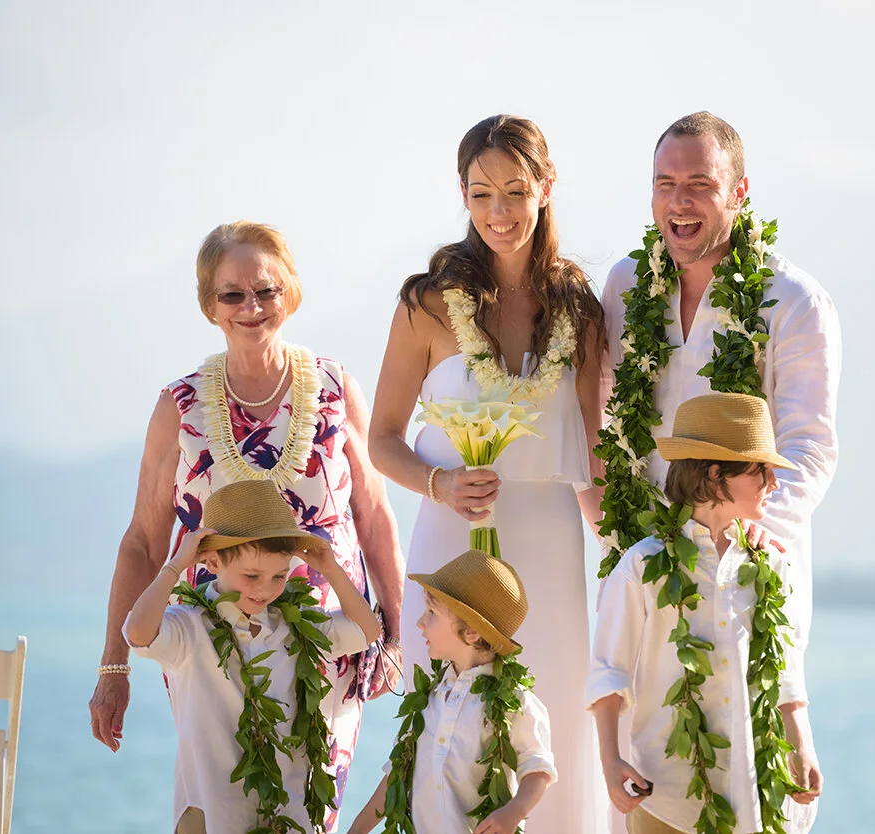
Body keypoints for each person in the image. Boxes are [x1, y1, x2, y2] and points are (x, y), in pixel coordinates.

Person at [91, 221, 405, 829]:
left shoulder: (337, 389)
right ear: (210, 305)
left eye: (266, 290)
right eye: (233, 294)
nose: (252, 307)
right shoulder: (179, 408)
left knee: (310, 812)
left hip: (328, 644)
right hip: (208, 653)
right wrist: (113, 667)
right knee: (221, 805)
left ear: (290, 291)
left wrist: (393, 633)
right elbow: (142, 541)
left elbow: (374, 514)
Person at [369, 115, 607, 831]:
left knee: (552, 725)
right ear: (463, 198)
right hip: (450, 540)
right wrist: (439, 484)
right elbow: (379, 439)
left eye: (514, 191)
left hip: (549, 545)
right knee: (442, 733)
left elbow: (595, 462)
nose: (499, 213)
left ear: (546, 186)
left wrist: (628, 559)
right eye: (481, 195)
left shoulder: (581, 312)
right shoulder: (427, 305)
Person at [600, 112, 841, 810]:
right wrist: (613, 521)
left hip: (750, 569)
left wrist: (750, 528)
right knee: (650, 776)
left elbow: (810, 444)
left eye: (700, 184)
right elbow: (608, 420)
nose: (679, 201)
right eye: (665, 184)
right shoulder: (624, 285)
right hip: (648, 566)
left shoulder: (792, 300)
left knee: (751, 777)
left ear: (739, 192)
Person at [588, 393, 822, 834]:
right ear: (717, 474)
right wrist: (610, 760)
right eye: (760, 470)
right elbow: (608, 670)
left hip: (750, 787)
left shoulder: (768, 565)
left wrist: (801, 745)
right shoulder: (643, 565)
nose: (773, 483)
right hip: (666, 792)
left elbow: (786, 670)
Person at [124, 480, 382, 834]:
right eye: (251, 576)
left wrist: (332, 570)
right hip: (210, 810)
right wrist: (175, 566)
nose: (265, 589)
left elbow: (367, 630)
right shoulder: (190, 627)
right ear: (212, 560)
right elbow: (137, 632)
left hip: (285, 812)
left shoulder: (295, 625)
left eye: (279, 576)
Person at [346, 549, 556, 834]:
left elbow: (538, 769)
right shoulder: (427, 700)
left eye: (432, 613)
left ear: (471, 632)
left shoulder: (516, 703)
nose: (420, 622)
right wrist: (358, 827)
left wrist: (514, 811)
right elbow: (398, 771)